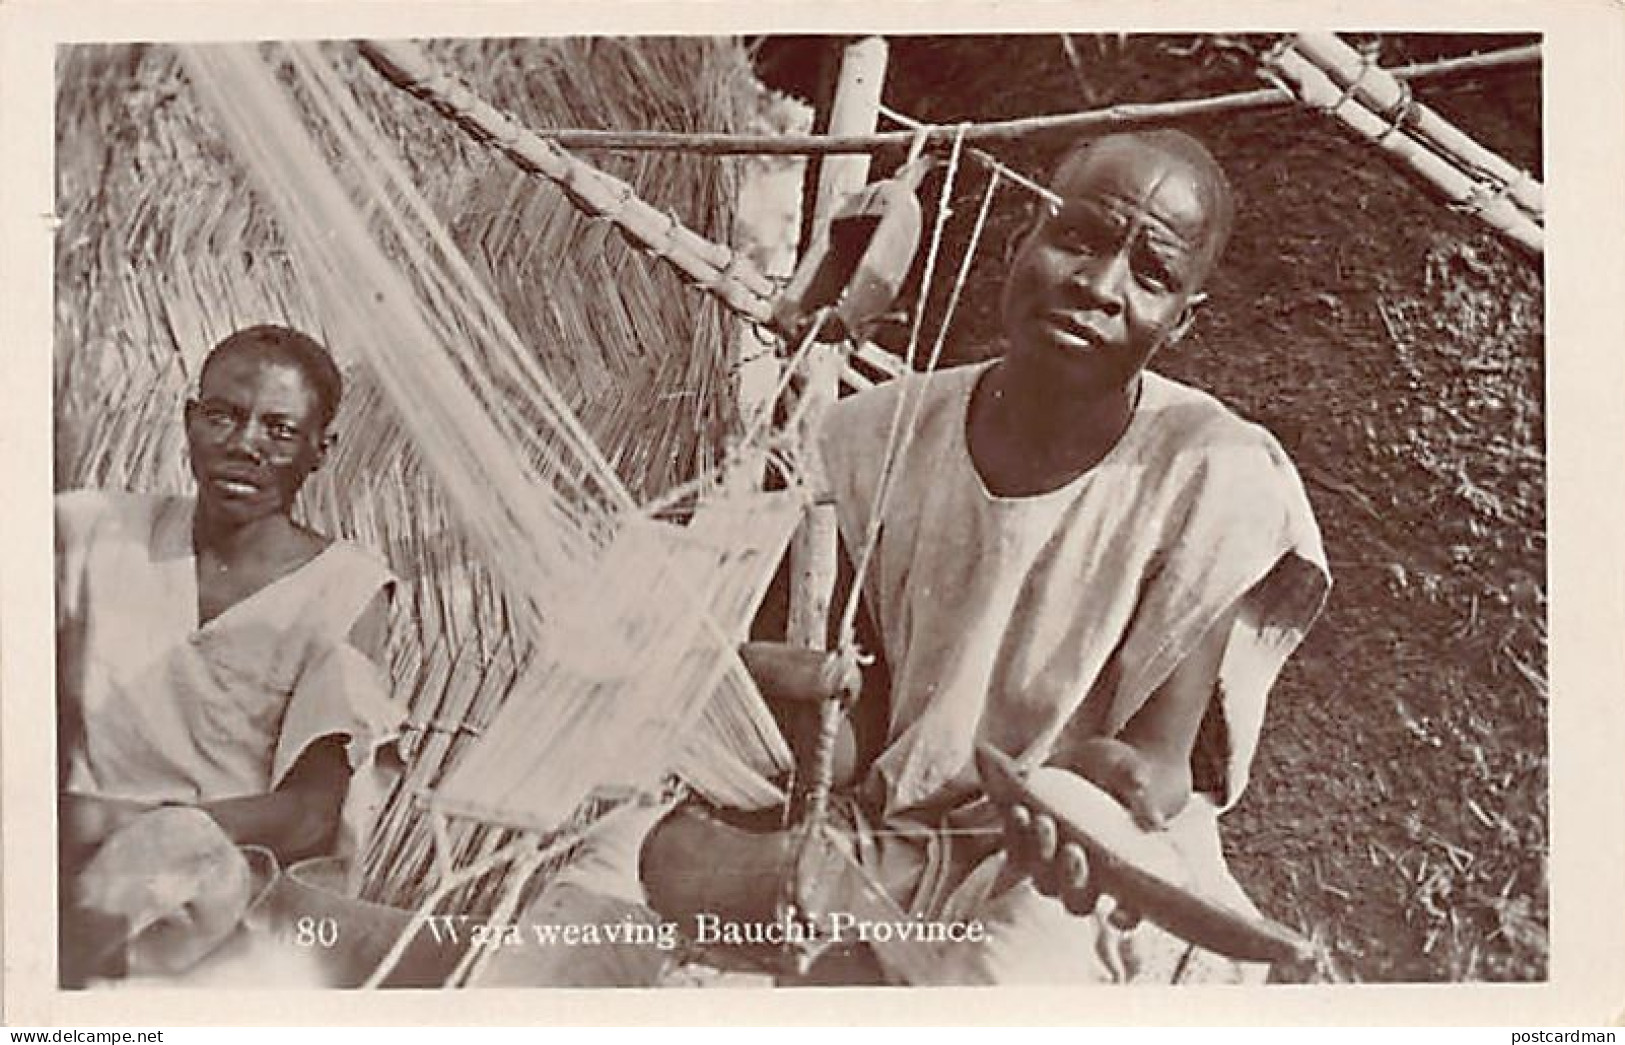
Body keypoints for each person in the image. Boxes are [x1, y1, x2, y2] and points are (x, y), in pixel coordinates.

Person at [637, 128, 1332, 986]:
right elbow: (864, 726)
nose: (1097, 286)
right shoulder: (868, 433)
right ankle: (868, 946)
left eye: (1149, 274)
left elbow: (1154, 770)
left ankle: (886, 961)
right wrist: (794, 702)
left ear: (1182, 319)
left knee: (1031, 924)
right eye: (1076, 237)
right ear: (1019, 241)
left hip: (1079, 855)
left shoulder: (1213, 471)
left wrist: (1067, 788)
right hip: (893, 839)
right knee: (654, 852)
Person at [56, 324, 404, 982]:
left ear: (319, 451)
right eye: (222, 415)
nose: (245, 444)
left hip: (217, 878)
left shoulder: (345, 588)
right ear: (189, 422)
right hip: (61, 841)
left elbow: (310, 813)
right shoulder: (95, 532)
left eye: (279, 429)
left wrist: (123, 819)